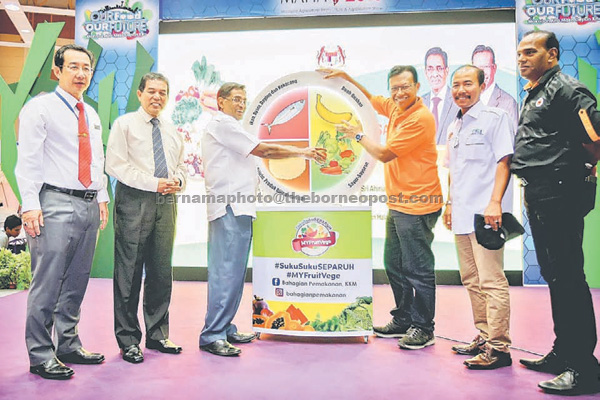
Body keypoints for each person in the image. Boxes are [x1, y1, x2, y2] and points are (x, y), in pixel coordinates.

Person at [200, 82, 326, 357]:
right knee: (225, 272)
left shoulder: (232, 127)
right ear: (220, 102)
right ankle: (212, 334)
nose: (241, 104)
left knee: (234, 274)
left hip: (241, 207)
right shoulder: (222, 124)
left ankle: (225, 327)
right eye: (235, 99)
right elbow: (264, 150)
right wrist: (302, 152)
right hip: (229, 207)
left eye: (244, 99)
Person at [322, 66, 443, 350]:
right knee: (394, 264)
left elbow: (385, 154)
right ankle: (403, 318)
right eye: (395, 88)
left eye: (405, 87)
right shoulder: (397, 108)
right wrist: (347, 76)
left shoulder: (420, 118)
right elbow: (373, 99)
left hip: (418, 203)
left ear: (417, 86)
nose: (399, 93)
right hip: (399, 203)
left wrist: (357, 135)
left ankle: (424, 327)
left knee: (418, 269)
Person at [513, 30, 600, 395]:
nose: (522, 58)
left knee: (568, 277)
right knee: (554, 274)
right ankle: (563, 351)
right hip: (541, 193)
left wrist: (579, 172)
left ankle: (584, 368)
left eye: (530, 51)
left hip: (561, 193)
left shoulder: (567, 88)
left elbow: (595, 137)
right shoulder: (538, 90)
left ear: (552, 55)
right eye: (519, 53)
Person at [15, 44, 109, 380]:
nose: (81, 73)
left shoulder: (92, 114)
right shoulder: (39, 109)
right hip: (52, 201)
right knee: (48, 281)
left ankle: (67, 343)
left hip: (87, 202)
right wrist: (29, 205)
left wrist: (102, 196)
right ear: (57, 70)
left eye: (86, 67)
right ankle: (41, 354)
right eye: (73, 67)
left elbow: (96, 160)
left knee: (77, 280)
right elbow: (26, 161)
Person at [106, 72, 187, 364]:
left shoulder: (171, 129)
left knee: (161, 270)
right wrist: (154, 183)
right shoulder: (124, 124)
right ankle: (128, 339)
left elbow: (181, 166)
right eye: (151, 91)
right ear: (140, 94)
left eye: (163, 92)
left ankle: (157, 333)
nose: (157, 97)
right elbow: (115, 165)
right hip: (134, 200)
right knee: (129, 272)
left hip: (167, 201)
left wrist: (178, 180)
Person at [442, 65, 514, 369]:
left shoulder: (495, 118)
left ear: (482, 86)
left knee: (491, 280)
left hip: (486, 215)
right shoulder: (455, 126)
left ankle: (499, 348)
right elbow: (454, 171)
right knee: (471, 280)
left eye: (467, 83)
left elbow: (504, 161)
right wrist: (448, 203)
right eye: (456, 85)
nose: (461, 90)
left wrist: (495, 202)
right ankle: (484, 337)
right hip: (460, 214)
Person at [471, 45, 518, 126]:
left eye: (486, 66)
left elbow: (513, 137)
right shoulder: (466, 101)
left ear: (494, 68)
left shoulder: (508, 103)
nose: (482, 72)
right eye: (477, 67)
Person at [421, 47, 459, 145]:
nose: (435, 74)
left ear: (446, 71)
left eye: (439, 68)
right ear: (425, 73)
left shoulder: (459, 103)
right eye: (430, 69)